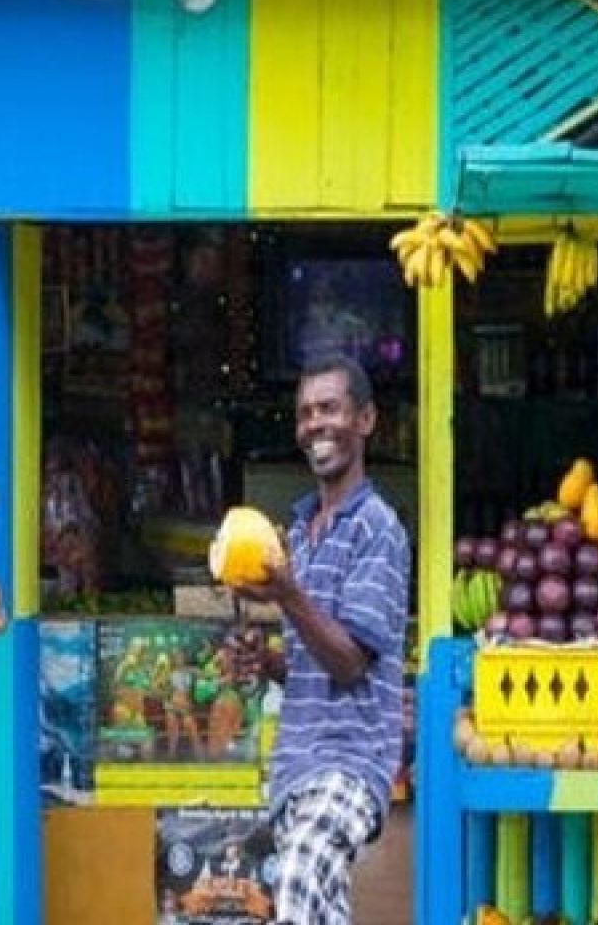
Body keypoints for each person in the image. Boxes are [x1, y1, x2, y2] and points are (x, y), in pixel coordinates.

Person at [231, 353, 411, 924]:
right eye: (306, 413)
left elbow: (351, 663)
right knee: (318, 908)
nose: (316, 424)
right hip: (296, 764)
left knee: (298, 873)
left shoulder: (377, 528)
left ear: (365, 420)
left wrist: (288, 594)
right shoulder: (301, 534)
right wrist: (270, 664)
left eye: (330, 408)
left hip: (351, 761)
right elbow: (316, 661)